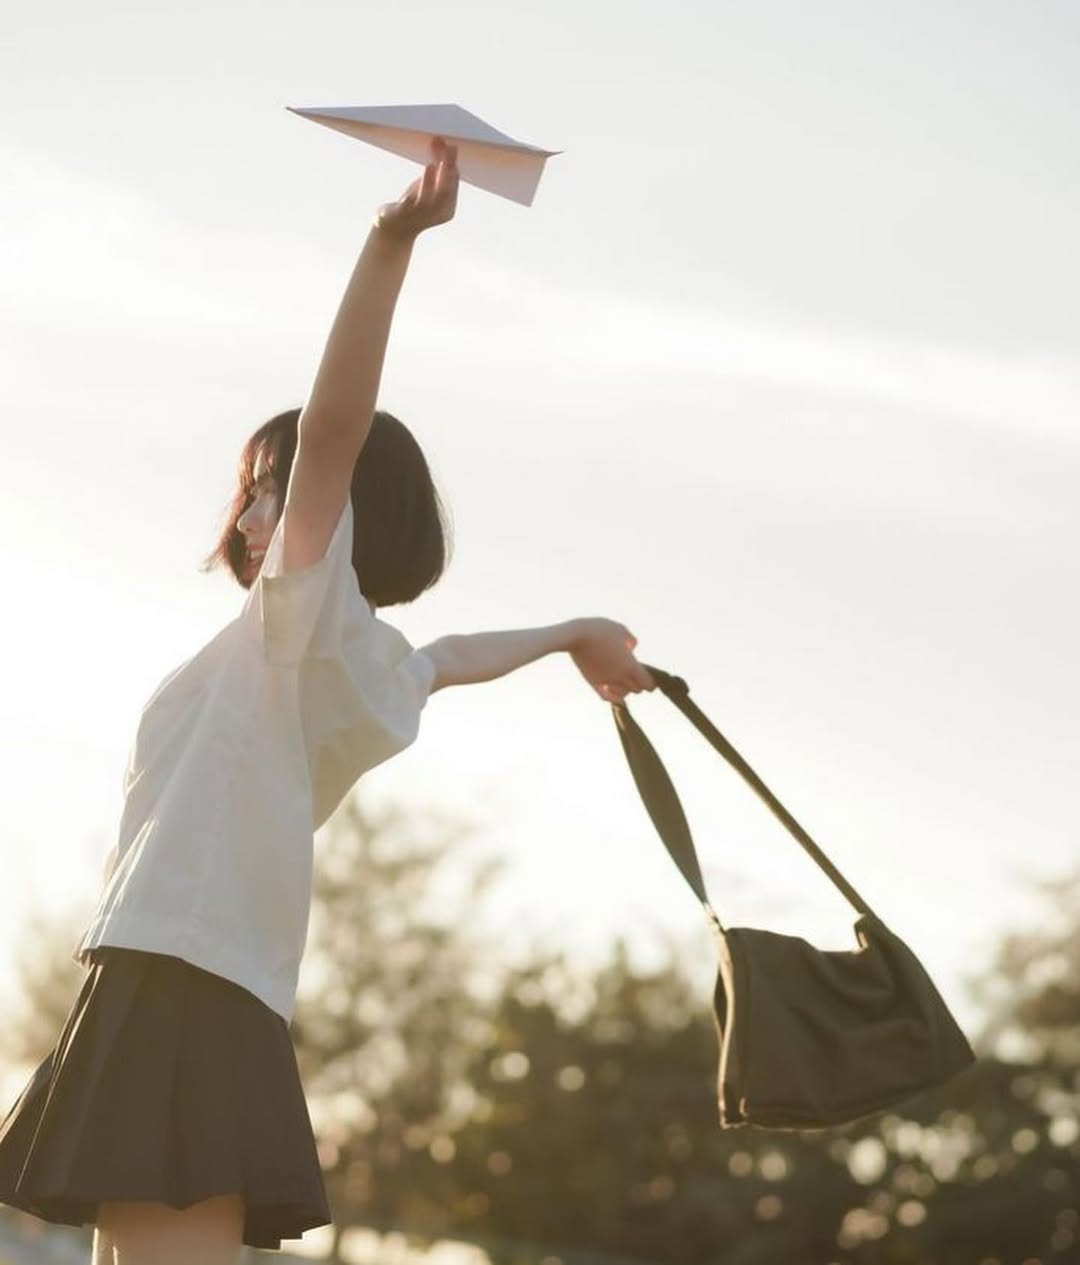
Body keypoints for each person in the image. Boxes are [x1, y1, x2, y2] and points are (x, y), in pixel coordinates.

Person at [0, 139, 655, 1264]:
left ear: (337, 514)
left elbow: (337, 428)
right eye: (254, 493)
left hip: (182, 979)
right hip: (182, 975)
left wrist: (389, 240)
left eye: (271, 492)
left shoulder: (299, 624)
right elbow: (450, 652)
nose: (252, 516)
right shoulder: (362, 661)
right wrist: (571, 633)